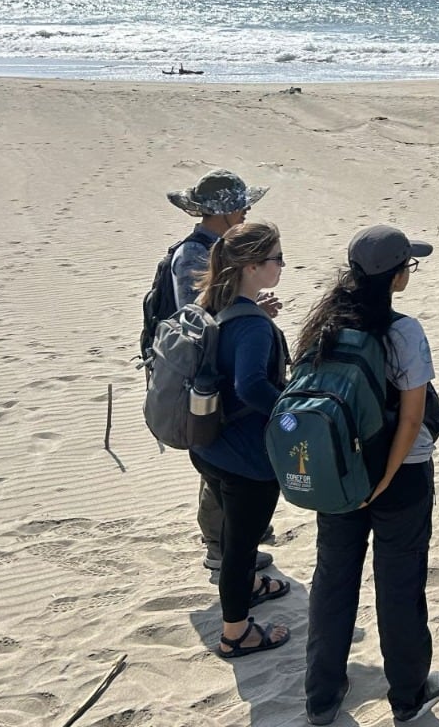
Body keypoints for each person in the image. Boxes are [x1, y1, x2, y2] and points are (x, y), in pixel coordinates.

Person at [301, 226, 439, 726]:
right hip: (400, 476)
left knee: (333, 579)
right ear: (396, 274)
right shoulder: (403, 330)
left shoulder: (323, 322)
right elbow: (411, 418)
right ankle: (408, 694)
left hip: (338, 473)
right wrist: (387, 477)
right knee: (400, 584)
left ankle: (322, 695)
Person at [165, 168, 279, 580]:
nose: (247, 210)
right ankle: (222, 549)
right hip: (205, 380)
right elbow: (195, 318)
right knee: (218, 463)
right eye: (242, 205)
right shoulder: (194, 255)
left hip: (217, 372)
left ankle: (233, 545)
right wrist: (246, 317)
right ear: (224, 211)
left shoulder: (211, 246)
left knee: (220, 465)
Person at [186, 220, 292, 659]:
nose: (282, 266)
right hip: (245, 459)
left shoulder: (216, 303)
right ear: (251, 266)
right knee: (240, 544)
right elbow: (250, 386)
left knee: (234, 533)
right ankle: (236, 633)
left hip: (207, 444)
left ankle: (248, 583)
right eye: (276, 259)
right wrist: (291, 415)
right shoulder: (251, 325)